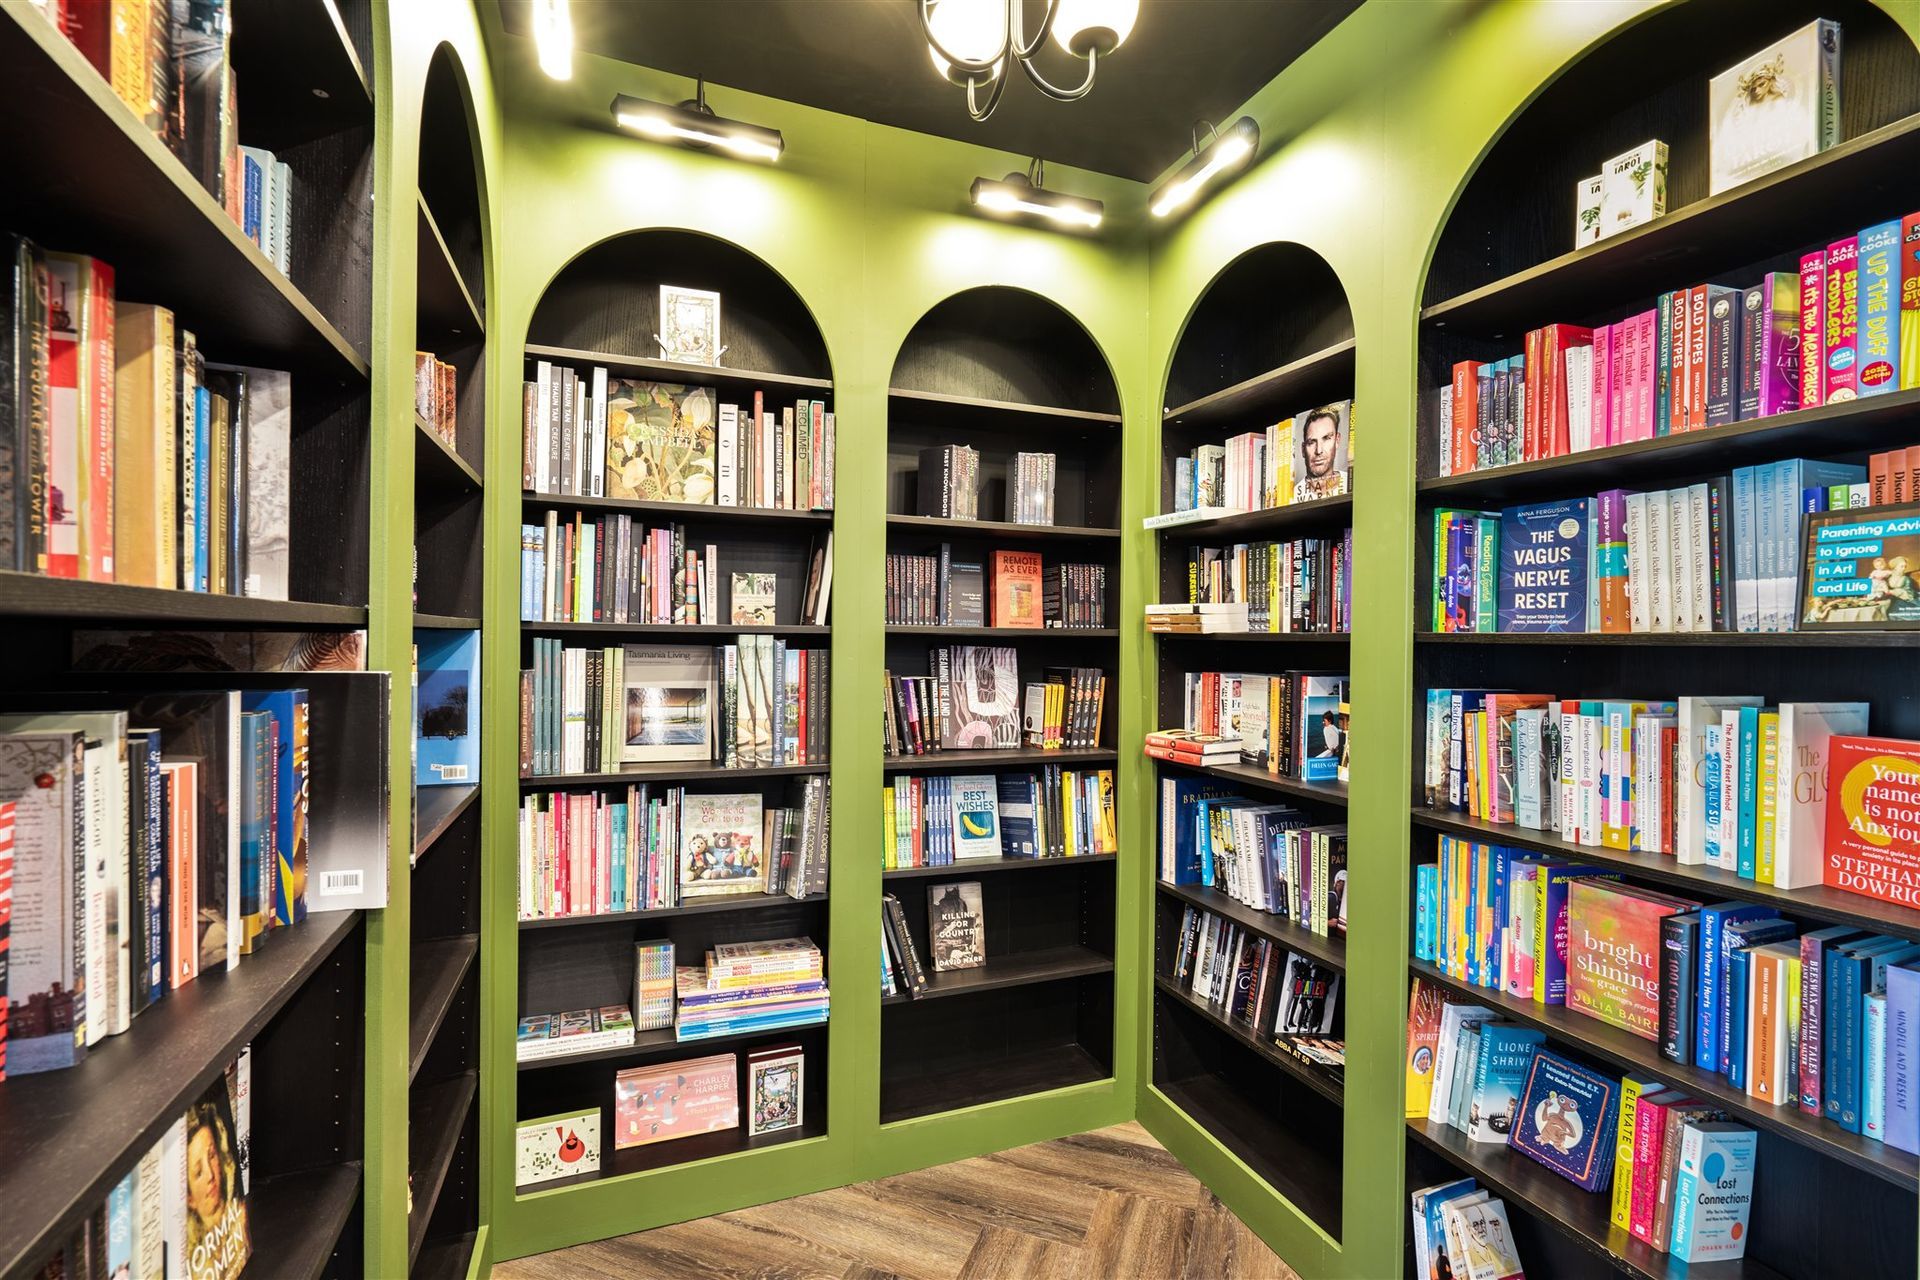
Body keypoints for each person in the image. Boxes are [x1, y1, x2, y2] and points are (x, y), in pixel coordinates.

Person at [1299, 406, 1343, 480]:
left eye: (1326, 438)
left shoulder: (1352, 482)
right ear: (1303, 449)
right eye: (1311, 442)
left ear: (1337, 440)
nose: (1318, 451)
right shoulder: (1292, 491)